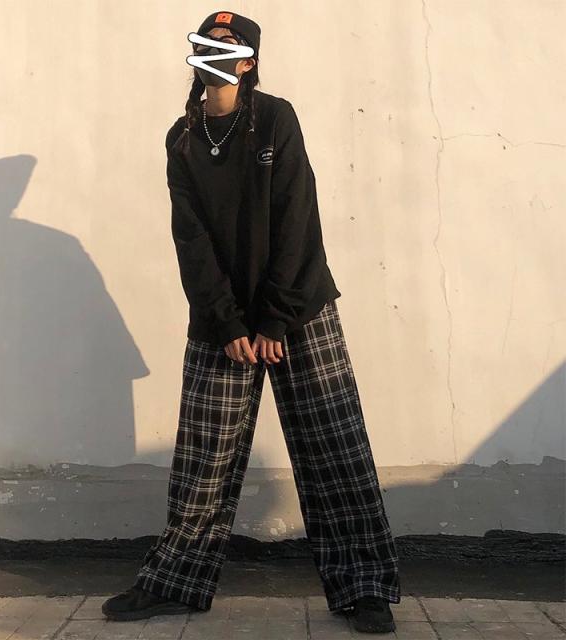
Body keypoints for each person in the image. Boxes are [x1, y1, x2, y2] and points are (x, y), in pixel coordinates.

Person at [102, 10, 401, 633]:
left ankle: (364, 588)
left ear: (248, 62)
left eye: (229, 45)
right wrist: (229, 323)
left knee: (335, 450)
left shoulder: (275, 118)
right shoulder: (182, 139)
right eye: (206, 42)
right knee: (203, 458)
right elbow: (191, 240)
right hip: (224, 323)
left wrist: (273, 320)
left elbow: (297, 219)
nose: (216, 52)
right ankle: (176, 582)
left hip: (298, 309)